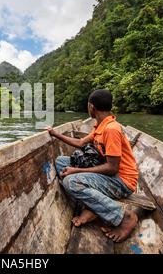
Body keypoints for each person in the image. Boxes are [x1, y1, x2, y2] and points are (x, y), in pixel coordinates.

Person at [47, 89, 139, 243]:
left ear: (91, 107)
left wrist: (77, 170)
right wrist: (55, 133)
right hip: (110, 175)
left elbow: (112, 168)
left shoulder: (111, 129)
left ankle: (124, 217)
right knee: (61, 162)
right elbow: (81, 142)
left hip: (123, 181)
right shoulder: (101, 126)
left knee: (72, 182)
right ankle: (95, 206)